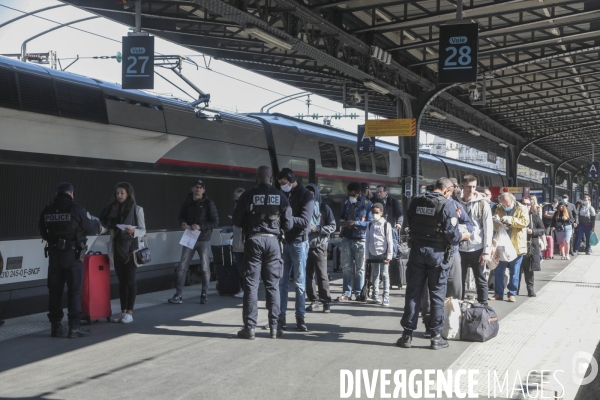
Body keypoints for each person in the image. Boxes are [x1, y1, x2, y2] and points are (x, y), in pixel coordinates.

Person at [397, 178, 469, 350]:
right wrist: (463, 236)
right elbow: (451, 235)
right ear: (448, 191)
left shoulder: (416, 200)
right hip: (437, 254)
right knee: (437, 294)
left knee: (413, 293)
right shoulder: (447, 205)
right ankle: (436, 337)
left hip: (417, 251)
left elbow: (410, 223)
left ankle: (407, 335)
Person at [232, 166, 293, 339]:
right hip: (273, 242)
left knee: (251, 285)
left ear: (256, 178)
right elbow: (288, 225)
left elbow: (236, 220)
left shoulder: (247, 195)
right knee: (272, 285)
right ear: (271, 178)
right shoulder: (280, 196)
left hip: (254, 240)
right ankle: (274, 327)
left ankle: (249, 328)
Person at [39, 182, 102, 338]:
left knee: (54, 292)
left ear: (57, 193)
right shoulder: (76, 209)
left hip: (54, 256)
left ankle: (56, 327)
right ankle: (74, 328)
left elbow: (43, 231)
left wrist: (54, 242)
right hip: (72, 256)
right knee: (74, 291)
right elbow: (92, 228)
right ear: (71, 193)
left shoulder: (47, 210)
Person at [100, 182, 146, 324]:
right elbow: (107, 227)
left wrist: (133, 231)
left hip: (131, 249)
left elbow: (143, 230)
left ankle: (130, 312)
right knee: (121, 282)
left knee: (130, 281)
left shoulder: (137, 209)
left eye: (122, 193)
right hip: (117, 249)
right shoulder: (112, 209)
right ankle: (122, 311)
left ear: (128, 194)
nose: (119, 195)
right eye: (117, 193)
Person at [275, 168, 314, 331]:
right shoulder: (281, 194)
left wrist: (286, 218)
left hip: (299, 242)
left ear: (291, 180)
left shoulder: (305, 195)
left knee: (299, 282)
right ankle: (281, 317)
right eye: (280, 184)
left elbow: (305, 221)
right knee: (282, 282)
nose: (281, 186)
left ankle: (300, 317)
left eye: (284, 183)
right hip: (284, 241)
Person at [169, 179, 219, 305]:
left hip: (203, 239)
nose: (198, 189)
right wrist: (183, 223)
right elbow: (181, 216)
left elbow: (215, 221)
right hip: (189, 237)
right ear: (192, 189)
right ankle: (178, 295)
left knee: (205, 267)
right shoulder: (187, 203)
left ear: (204, 190)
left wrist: (200, 226)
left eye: (201, 187)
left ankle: (204, 293)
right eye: (196, 187)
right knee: (182, 266)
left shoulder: (209, 203)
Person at [457, 175, 493, 305]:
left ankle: (483, 307)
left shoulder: (482, 204)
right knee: (458, 280)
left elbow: (488, 228)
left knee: (481, 279)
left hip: (477, 248)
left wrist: (486, 251)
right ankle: (457, 305)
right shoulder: (455, 202)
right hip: (459, 248)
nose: (471, 190)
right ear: (462, 186)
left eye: (473, 186)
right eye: (468, 187)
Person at [337, 182, 373, 301]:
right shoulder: (347, 203)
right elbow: (341, 216)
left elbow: (370, 223)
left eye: (353, 194)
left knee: (360, 268)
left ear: (359, 193)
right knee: (347, 267)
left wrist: (356, 223)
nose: (350, 196)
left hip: (360, 238)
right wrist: (343, 222)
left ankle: (358, 292)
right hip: (347, 237)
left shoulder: (367, 205)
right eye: (349, 194)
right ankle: (346, 293)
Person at [490, 193, 529, 303]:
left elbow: (525, 222)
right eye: (503, 204)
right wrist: (497, 221)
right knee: (498, 270)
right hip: (502, 244)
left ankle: (511, 293)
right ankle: (498, 293)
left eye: (507, 204)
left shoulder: (522, 208)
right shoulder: (497, 208)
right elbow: (494, 227)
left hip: (517, 245)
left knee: (514, 271)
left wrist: (510, 219)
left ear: (513, 201)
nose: (505, 206)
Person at [305, 184, 336, 313]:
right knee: (308, 276)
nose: (310, 195)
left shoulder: (324, 208)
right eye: (308, 193)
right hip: (305, 245)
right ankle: (313, 300)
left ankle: (326, 301)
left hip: (320, 245)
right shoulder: (303, 207)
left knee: (322, 275)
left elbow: (333, 226)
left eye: (312, 193)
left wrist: (318, 229)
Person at [364, 203, 394, 306]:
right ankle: (375, 295)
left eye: (376, 213)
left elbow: (390, 241)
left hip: (383, 254)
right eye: (373, 213)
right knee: (375, 274)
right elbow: (367, 241)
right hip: (373, 253)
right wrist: (367, 256)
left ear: (382, 213)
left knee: (385, 275)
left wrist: (389, 256)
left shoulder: (386, 225)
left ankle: (386, 296)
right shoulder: (370, 224)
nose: (374, 215)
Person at [221, 188, 246, 298]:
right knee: (239, 268)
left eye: (240, 198)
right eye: (236, 198)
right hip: (237, 244)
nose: (237, 200)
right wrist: (230, 228)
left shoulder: (247, 208)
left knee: (245, 269)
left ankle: (247, 290)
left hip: (245, 244)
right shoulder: (237, 207)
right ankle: (242, 289)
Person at [520, 198, 545, 297]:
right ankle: (513, 292)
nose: (526, 206)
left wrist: (533, 231)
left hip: (530, 246)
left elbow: (542, 230)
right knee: (516, 270)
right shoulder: (516, 215)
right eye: (524, 204)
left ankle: (530, 290)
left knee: (529, 270)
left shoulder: (534, 216)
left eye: (528, 204)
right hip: (518, 246)